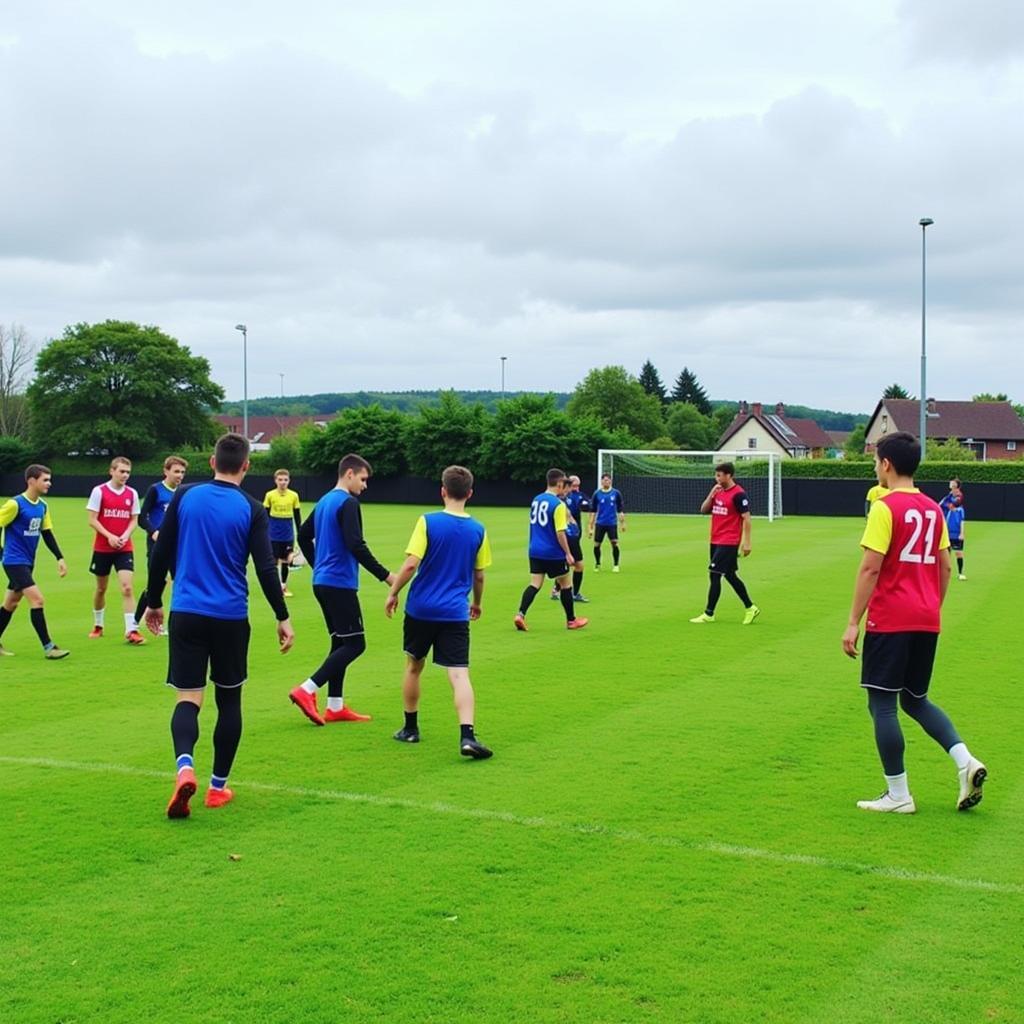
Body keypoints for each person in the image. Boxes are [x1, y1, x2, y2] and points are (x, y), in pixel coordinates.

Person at [145, 433, 294, 819]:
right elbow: (265, 568)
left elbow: (161, 550)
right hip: (230, 616)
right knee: (229, 701)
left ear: (211, 462)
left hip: (187, 613)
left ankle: (184, 768)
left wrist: (154, 602)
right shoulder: (252, 508)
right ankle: (216, 788)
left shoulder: (184, 496)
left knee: (188, 698)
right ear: (246, 466)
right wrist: (282, 615)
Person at [841, 431, 986, 814]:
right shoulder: (933, 509)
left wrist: (853, 621)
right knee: (915, 699)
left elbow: (871, 567)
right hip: (926, 618)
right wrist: (930, 606)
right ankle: (965, 761)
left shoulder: (884, 508)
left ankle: (898, 795)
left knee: (883, 704)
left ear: (886, 464)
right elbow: (943, 567)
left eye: (876, 461)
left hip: (891, 618)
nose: (875, 467)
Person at [385, 465, 493, 759]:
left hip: (421, 608)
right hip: (455, 612)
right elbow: (479, 575)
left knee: (413, 666)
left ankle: (410, 729)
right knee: (459, 674)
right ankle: (467, 736)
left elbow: (410, 565)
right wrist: (477, 603)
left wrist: (393, 593)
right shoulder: (478, 529)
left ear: (442, 491)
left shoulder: (428, 522)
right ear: (470, 493)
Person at [289, 453, 395, 726]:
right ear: (349, 474)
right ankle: (307, 689)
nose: (365, 485)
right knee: (356, 644)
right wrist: (386, 576)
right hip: (338, 583)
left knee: (340, 643)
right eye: (363, 479)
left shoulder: (325, 500)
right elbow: (355, 544)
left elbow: (302, 534)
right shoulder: (348, 503)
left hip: (323, 582)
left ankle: (334, 707)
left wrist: (318, 566)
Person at [0, 464, 70, 659]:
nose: (49, 483)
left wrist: (60, 557)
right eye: (45, 480)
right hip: (14, 561)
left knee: (11, 603)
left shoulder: (42, 506)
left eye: (49, 479)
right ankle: (49, 647)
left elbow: (46, 533)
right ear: (31, 481)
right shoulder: (15, 504)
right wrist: (2, 554)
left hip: (27, 562)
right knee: (37, 600)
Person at [514, 468, 588, 632]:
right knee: (566, 584)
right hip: (553, 552)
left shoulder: (536, 499)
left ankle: (520, 614)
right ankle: (571, 620)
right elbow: (560, 532)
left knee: (535, 584)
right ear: (560, 483)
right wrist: (568, 553)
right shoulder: (558, 504)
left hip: (535, 550)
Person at [690, 461, 760, 625]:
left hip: (729, 541)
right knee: (729, 575)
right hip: (715, 539)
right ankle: (750, 607)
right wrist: (711, 494)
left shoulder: (738, 494)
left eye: (719, 475)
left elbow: (747, 518)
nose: (717, 478)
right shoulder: (718, 491)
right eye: (716, 475)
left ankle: (709, 613)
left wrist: (747, 542)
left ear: (729, 475)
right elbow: (703, 510)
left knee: (714, 574)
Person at [87, 456, 145, 644]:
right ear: (111, 471)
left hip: (124, 548)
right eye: (121, 471)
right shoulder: (99, 491)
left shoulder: (132, 494)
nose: (125, 475)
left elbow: (134, 519)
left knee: (127, 588)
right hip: (103, 548)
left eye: (128, 472)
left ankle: (132, 630)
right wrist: (109, 536)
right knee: (101, 588)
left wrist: (125, 536)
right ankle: (98, 625)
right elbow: (92, 519)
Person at [134, 455, 188, 632]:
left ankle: (172, 622)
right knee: (157, 582)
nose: (180, 475)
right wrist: (154, 531)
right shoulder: (155, 490)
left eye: (182, 472)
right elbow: (142, 517)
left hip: (177, 544)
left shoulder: (183, 492)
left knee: (179, 581)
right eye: (176, 471)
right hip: (157, 543)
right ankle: (135, 622)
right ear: (166, 471)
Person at [263, 469, 302, 597]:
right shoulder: (269, 495)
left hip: (287, 532)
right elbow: (265, 515)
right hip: (273, 533)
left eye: (285, 480)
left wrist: (300, 532)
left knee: (286, 561)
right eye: (280, 480)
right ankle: (274, 588)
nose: (283, 482)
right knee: (273, 561)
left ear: (289, 481)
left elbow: (297, 516)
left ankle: (283, 587)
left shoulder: (294, 495)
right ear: (275, 480)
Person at [550, 474, 589, 603]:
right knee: (578, 565)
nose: (575, 488)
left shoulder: (571, 496)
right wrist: (572, 523)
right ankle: (574, 593)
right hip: (568, 535)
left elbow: (588, 505)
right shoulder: (561, 500)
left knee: (565, 564)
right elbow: (568, 516)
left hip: (571, 534)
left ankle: (556, 590)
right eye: (572, 486)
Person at [588, 473, 625, 572]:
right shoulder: (597, 494)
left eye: (608, 480)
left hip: (612, 523)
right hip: (600, 523)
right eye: (604, 480)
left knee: (614, 543)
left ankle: (616, 565)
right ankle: (598, 563)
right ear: (601, 481)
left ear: (611, 481)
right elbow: (593, 511)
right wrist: (590, 527)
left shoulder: (616, 493)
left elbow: (620, 510)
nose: (606, 482)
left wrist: (622, 524)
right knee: (597, 544)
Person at [940, 479, 966, 580]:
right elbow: (941, 504)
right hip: (947, 531)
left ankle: (960, 573)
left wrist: (962, 533)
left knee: (958, 552)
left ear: (957, 486)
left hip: (956, 533)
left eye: (952, 483)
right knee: (946, 553)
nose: (950, 484)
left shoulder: (959, 501)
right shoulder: (949, 496)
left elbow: (954, 504)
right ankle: (944, 573)